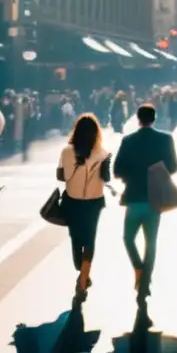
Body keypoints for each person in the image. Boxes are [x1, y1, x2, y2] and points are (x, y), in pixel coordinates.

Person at [113, 103, 177, 320]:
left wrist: (132, 174)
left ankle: (138, 270)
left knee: (128, 237)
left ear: (138, 119)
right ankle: (145, 280)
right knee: (151, 241)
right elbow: (174, 166)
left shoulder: (128, 140)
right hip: (156, 196)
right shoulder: (165, 139)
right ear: (155, 118)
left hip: (134, 195)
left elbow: (117, 169)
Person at [58, 113, 111, 300]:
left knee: (75, 238)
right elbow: (107, 178)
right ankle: (84, 276)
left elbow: (60, 176)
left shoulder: (66, 151)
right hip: (94, 202)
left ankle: (81, 271)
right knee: (90, 239)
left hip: (72, 201)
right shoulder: (103, 153)